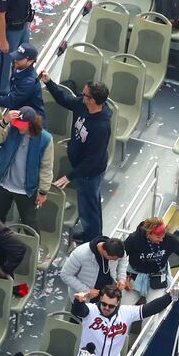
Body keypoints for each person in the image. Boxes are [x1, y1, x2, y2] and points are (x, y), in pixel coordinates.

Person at [39, 71, 111, 243]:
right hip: (80, 165)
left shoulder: (101, 127)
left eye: (84, 94)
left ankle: (93, 240)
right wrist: (49, 83)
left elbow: (93, 159)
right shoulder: (82, 105)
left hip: (90, 172)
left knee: (88, 207)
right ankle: (93, 233)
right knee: (90, 203)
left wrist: (69, 176)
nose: (81, 96)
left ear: (93, 100)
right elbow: (64, 99)